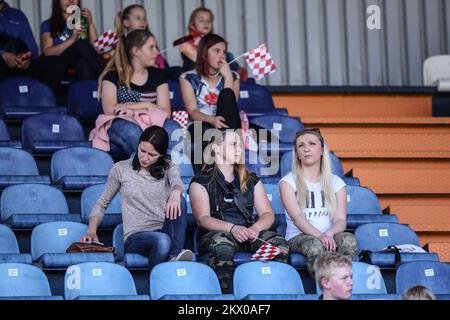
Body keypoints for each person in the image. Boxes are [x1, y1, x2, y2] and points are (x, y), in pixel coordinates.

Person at [189, 129, 289, 293]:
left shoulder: (251, 180)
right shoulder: (201, 181)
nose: (240, 149)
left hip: (250, 234)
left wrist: (255, 228)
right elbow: (203, 219)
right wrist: (233, 229)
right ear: (216, 148)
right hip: (218, 234)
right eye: (234, 144)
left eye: (240, 146)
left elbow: (267, 214)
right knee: (222, 246)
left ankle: (260, 290)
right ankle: (224, 296)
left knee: (279, 245)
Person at [82, 126, 194, 268]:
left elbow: (177, 183)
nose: (144, 158)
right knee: (162, 241)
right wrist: (91, 231)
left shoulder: (169, 166)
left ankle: (174, 256)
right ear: (138, 145)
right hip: (136, 236)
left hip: (164, 230)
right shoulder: (121, 168)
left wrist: (176, 192)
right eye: (142, 151)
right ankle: (160, 277)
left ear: (161, 154)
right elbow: (101, 203)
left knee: (180, 201)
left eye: (151, 155)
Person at [279, 128, 357, 278]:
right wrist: (320, 236)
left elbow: (340, 220)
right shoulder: (287, 182)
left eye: (312, 144)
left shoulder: (336, 182)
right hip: (299, 236)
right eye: (301, 146)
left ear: (322, 150)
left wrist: (329, 233)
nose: (306, 149)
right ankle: (325, 289)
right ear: (297, 153)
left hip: (329, 234)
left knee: (348, 239)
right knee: (314, 246)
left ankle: (343, 283)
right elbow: (297, 218)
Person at [97, 29, 171, 156]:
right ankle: (149, 172)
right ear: (136, 51)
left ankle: (178, 173)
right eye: (151, 47)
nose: (156, 52)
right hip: (121, 122)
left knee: (174, 130)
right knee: (135, 134)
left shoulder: (158, 75)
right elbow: (109, 109)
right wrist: (148, 105)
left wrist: (128, 106)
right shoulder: (113, 76)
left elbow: (166, 113)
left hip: (152, 122)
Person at [180, 33, 241, 171]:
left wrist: (228, 77)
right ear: (203, 53)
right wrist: (212, 120)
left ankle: (228, 168)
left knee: (226, 96)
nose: (222, 56)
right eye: (216, 51)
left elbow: (231, 104)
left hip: (227, 123)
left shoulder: (233, 76)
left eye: (224, 52)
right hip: (201, 123)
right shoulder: (188, 78)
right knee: (206, 130)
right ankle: (208, 173)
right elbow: (192, 112)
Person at [0, 0, 65, 92]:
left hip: (19, 63)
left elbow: (33, 49)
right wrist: (3, 54)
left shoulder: (17, 15)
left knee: (54, 62)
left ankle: (42, 98)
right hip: (2, 61)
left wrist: (26, 59)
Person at [40, 0, 106, 80]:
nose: (71, 1)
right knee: (80, 43)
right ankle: (109, 76)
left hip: (79, 65)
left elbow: (97, 50)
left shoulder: (82, 21)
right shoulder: (48, 24)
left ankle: (91, 91)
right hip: (59, 62)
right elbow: (47, 52)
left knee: (83, 65)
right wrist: (72, 39)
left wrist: (90, 23)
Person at [179, 7, 241, 74]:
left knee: (228, 55)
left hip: (214, 69)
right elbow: (200, 59)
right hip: (195, 72)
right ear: (192, 23)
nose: (206, 23)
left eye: (209, 21)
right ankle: (234, 72)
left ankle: (236, 71)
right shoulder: (187, 41)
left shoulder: (211, 39)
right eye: (201, 20)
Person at [114, 4, 167, 70]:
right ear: (126, 23)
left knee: (176, 69)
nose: (142, 21)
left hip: (153, 69)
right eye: (138, 18)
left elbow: (160, 60)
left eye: (144, 18)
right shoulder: (120, 42)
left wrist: (158, 65)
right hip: (130, 71)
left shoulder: (149, 40)